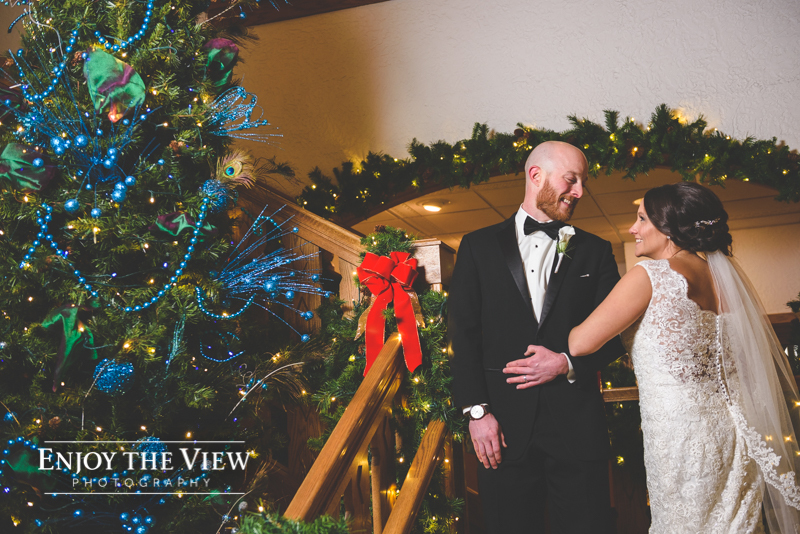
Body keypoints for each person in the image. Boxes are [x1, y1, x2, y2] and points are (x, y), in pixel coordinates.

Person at [509, 182, 800, 533]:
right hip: (734, 431)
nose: (633, 228)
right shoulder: (726, 278)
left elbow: (580, 342)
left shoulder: (651, 276)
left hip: (680, 436)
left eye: (642, 219)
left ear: (669, 228)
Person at [448, 141, 624, 534]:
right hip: (502, 431)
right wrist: (477, 413)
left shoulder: (596, 251)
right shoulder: (477, 246)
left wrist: (566, 362)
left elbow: (613, 337)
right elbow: (463, 334)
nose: (580, 191)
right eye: (571, 179)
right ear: (536, 175)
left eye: (583, 182)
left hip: (577, 431)